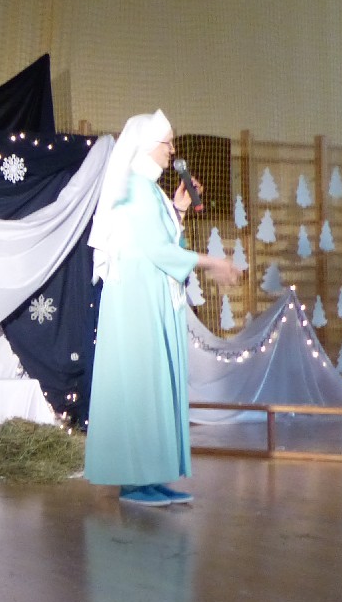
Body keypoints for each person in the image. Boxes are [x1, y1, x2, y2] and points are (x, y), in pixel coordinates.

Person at [85, 110, 239, 507]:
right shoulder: (135, 189)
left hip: (151, 296)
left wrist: (180, 208)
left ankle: (150, 477)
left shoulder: (149, 189)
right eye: (167, 142)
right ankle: (133, 482)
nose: (173, 150)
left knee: (154, 384)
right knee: (141, 385)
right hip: (138, 301)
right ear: (145, 145)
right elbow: (156, 250)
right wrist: (213, 262)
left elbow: (163, 238)